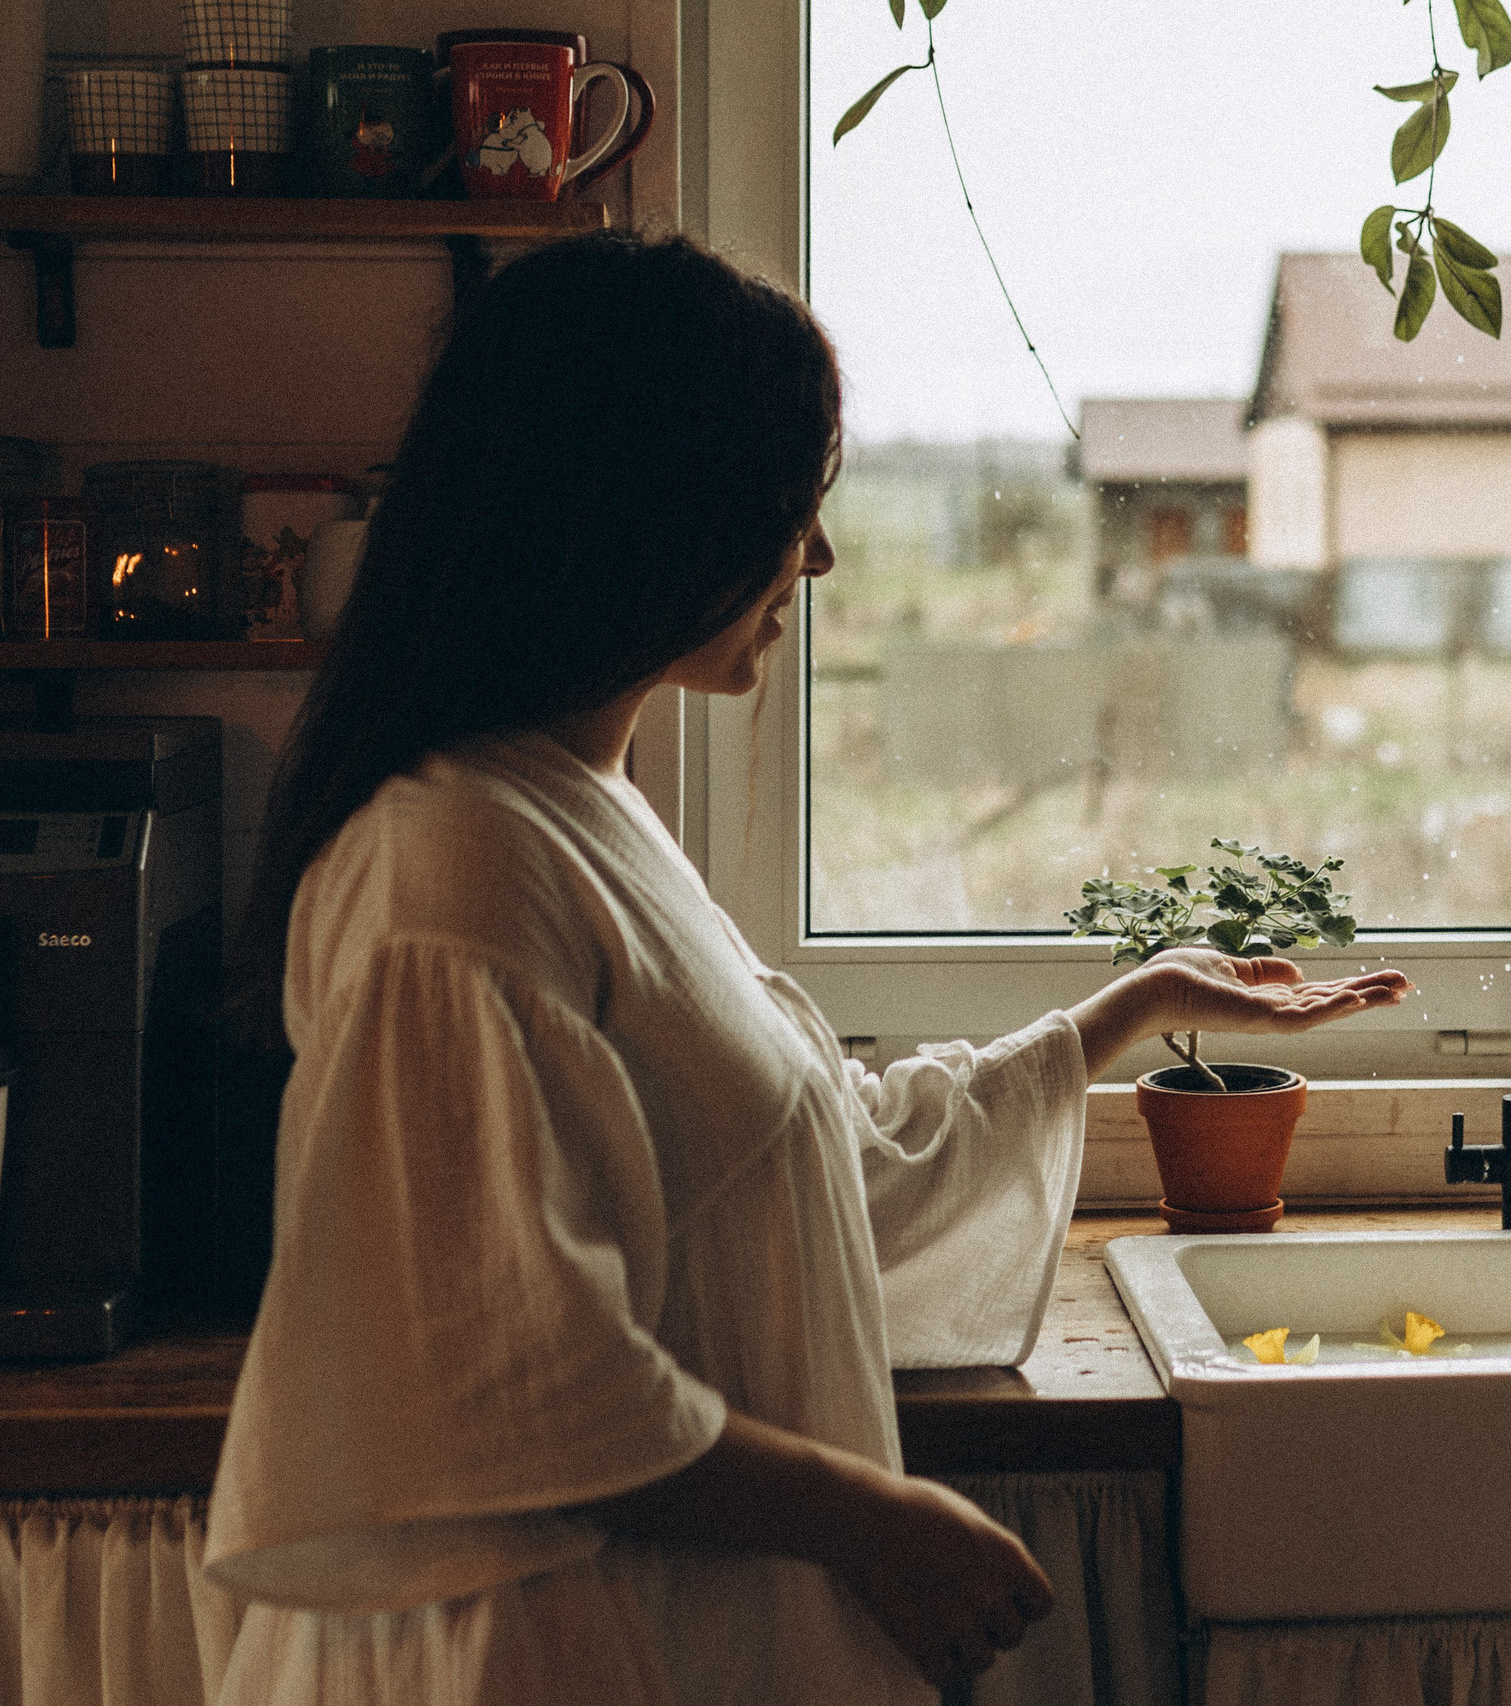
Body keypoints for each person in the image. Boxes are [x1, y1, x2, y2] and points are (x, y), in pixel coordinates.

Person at [203, 231, 1411, 1705]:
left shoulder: (573, 812)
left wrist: (1127, 1010)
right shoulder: (454, 870)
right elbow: (495, 1371)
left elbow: (810, 1157)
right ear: (650, 515)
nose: (818, 557)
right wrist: (872, 1519)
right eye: (788, 506)